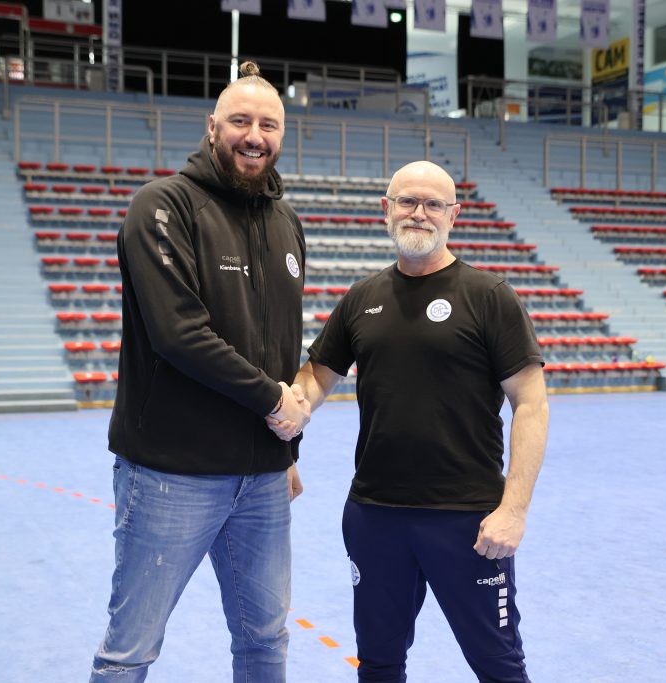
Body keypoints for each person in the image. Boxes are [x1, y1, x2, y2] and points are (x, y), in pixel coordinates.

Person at [270, 161, 550, 682]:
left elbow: (531, 404)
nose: (419, 213)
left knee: (500, 666)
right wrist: (284, 441)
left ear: (453, 215)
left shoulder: (490, 297)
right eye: (407, 201)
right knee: (378, 664)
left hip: (468, 520)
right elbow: (313, 381)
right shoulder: (362, 298)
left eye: (433, 204)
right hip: (375, 515)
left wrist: (513, 510)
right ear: (387, 209)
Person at [90, 61, 311, 683]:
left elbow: (278, 344)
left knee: (265, 641)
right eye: (240, 121)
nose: (254, 136)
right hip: (172, 474)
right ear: (212, 127)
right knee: (129, 653)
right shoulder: (163, 206)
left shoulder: (287, 222)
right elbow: (178, 334)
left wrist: (286, 451)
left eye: (269, 124)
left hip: (262, 479)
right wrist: (275, 403)